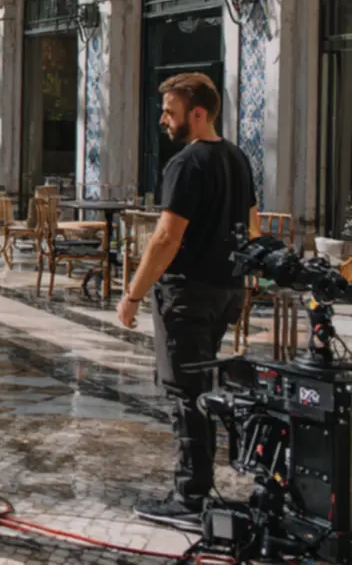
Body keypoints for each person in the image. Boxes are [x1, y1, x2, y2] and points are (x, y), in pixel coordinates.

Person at [116, 72, 258, 528]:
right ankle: (197, 486)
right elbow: (253, 226)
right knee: (200, 388)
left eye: (170, 112)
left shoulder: (187, 163)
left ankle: (190, 497)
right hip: (225, 292)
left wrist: (133, 294)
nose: (163, 119)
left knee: (185, 393)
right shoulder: (238, 158)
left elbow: (165, 237)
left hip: (188, 295)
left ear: (197, 114)